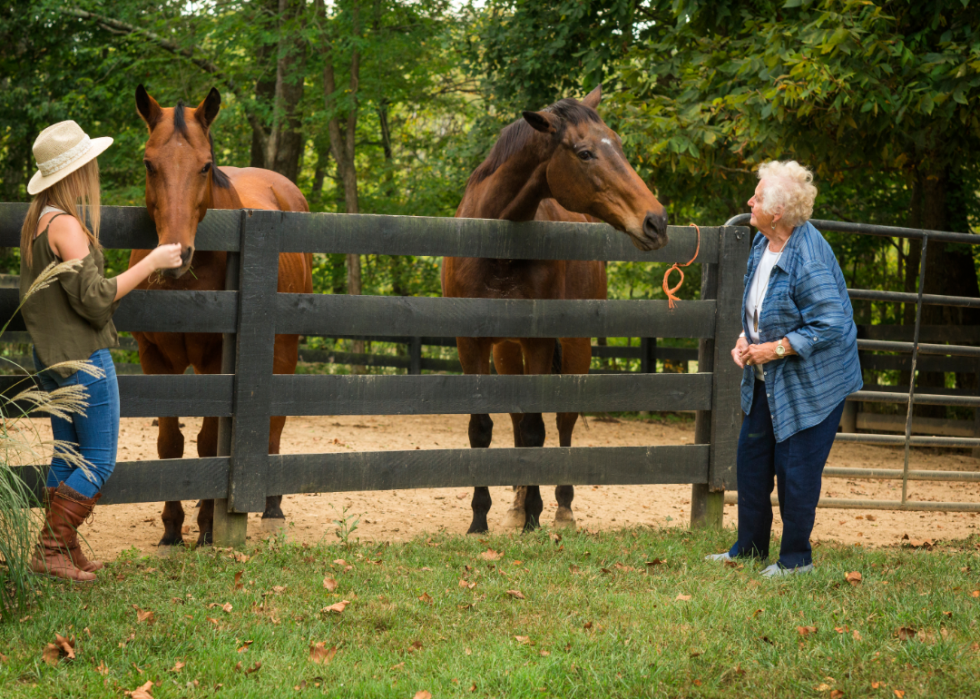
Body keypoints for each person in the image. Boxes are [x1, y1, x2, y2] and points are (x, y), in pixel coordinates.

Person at [19, 120, 183, 582]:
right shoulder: (67, 226)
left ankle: (61, 550)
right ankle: (51, 548)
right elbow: (96, 299)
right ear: (77, 171)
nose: (94, 170)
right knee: (98, 461)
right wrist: (151, 260)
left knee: (67, 456)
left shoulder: (38, 220)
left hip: (49, 358)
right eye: (89, 164)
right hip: (82, 358)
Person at [706, 160, 862, 577]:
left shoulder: (807, 258)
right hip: (768, 375)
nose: (748, 201)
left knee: (796, 470)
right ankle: (750, 548)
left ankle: (796, 561)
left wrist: (773, 349)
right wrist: (747, 337)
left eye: (756, 198)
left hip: (813, 383)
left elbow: (832, 325)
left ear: (776, 213)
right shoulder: (764, 243)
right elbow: (760, 304)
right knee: (752, 460)